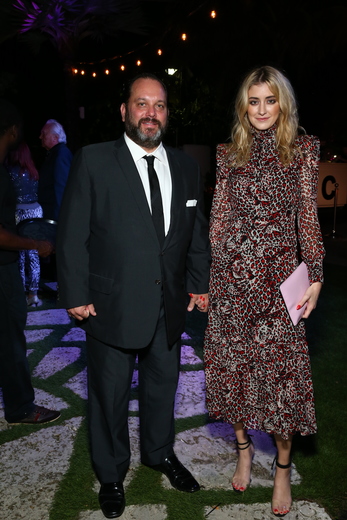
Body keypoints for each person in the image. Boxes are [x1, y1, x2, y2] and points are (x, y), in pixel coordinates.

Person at [56, 73, 211, 519]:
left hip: (169, 306)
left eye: (159, 105)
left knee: (164, 388)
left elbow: (195, 234)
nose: (150, 113)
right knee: (110, 395)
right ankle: (110, 473)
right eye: (141, 104)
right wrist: (75, 292)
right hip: (109, 305)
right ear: (124, 111)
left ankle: (159, 453)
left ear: (166, 114)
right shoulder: (94, 160)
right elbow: (71, 236)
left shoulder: (185, 166)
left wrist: (198, 282)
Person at [203, 66, 325, 517]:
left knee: (282, 384)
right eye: (253, 101)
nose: (261, 110)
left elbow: (307, 220)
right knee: (233, 376)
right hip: (232, 281)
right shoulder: (227, 153)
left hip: (279, 286)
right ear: (243, 106)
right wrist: (211, 279)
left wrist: (315, 276)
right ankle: (242, 450)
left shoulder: (303, 150)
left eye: (269, 100)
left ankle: (282, 470)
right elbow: (218, 220)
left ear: (283, 103)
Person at [0, 98, 61, 425]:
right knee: (11, 340)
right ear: (11, 130)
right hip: (4, 267)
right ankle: (21, 407)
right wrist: (34, 243)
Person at [6, 141, 43, 306]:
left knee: (20, 254)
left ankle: (20, 292)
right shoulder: (33, 171)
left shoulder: (11, 172)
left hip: (19, 213)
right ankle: (33, 294)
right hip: (35, 211)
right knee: (34, 254)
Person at [38, 119, 73, 221]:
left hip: (54, 215)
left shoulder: (60, 155)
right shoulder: (56, 154)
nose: (40, 137)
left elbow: (61, 188)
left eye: (44, 134)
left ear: (55, 137)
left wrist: (58, 219)